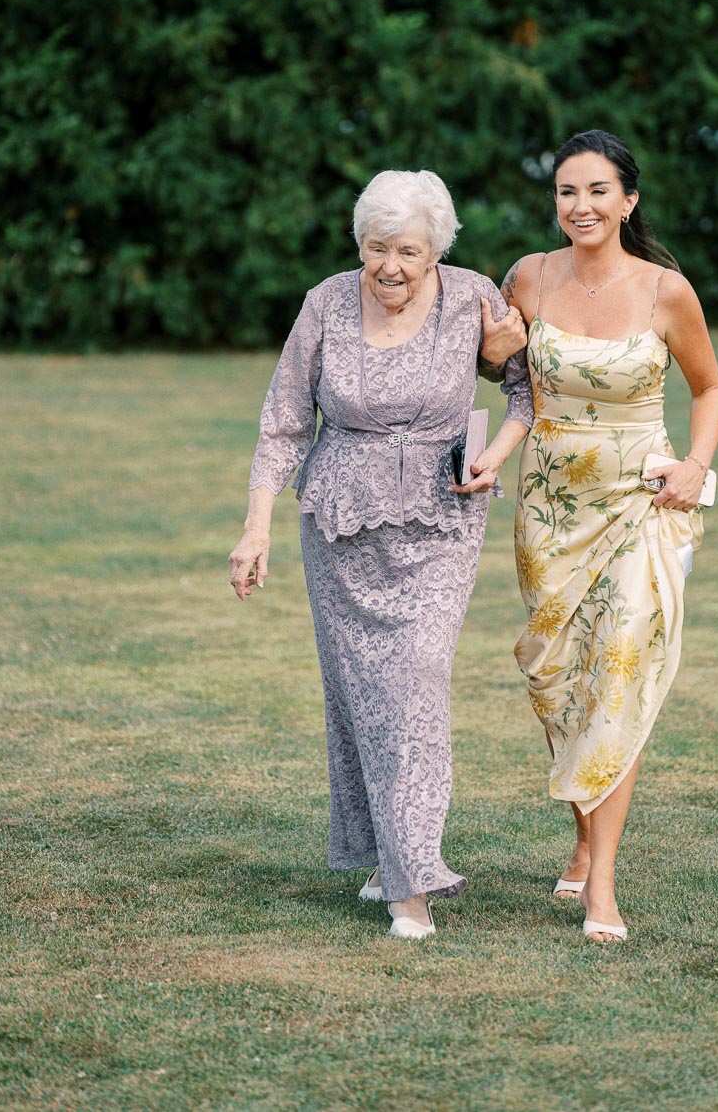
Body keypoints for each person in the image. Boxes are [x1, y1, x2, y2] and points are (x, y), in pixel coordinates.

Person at [228, 169, 532, 940]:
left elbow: (527, 393)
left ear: (436, 251)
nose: (389, 266)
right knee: (360, 694)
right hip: (340, 524)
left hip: (441, 519)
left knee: (416, 680)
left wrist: (494, 455)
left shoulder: (473, 298)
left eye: (408, 252)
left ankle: (410, 882)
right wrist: (256, 527)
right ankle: (388, 863)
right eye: (375, 248)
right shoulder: (326, 303)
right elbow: (284, 421)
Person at [503, 130, 718, 944]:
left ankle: (602, 885)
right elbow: (498, 373)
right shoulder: (529, 277)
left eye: (598, 190)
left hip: (640, 505)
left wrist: (696, 464)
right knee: (559, 680)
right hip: (550, 510)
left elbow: (709, 387)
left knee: (619, 676)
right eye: (568, 191)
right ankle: (582, 835)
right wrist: (492, 353)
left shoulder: (667, 291)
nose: (581, 205)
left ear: (628, 201)